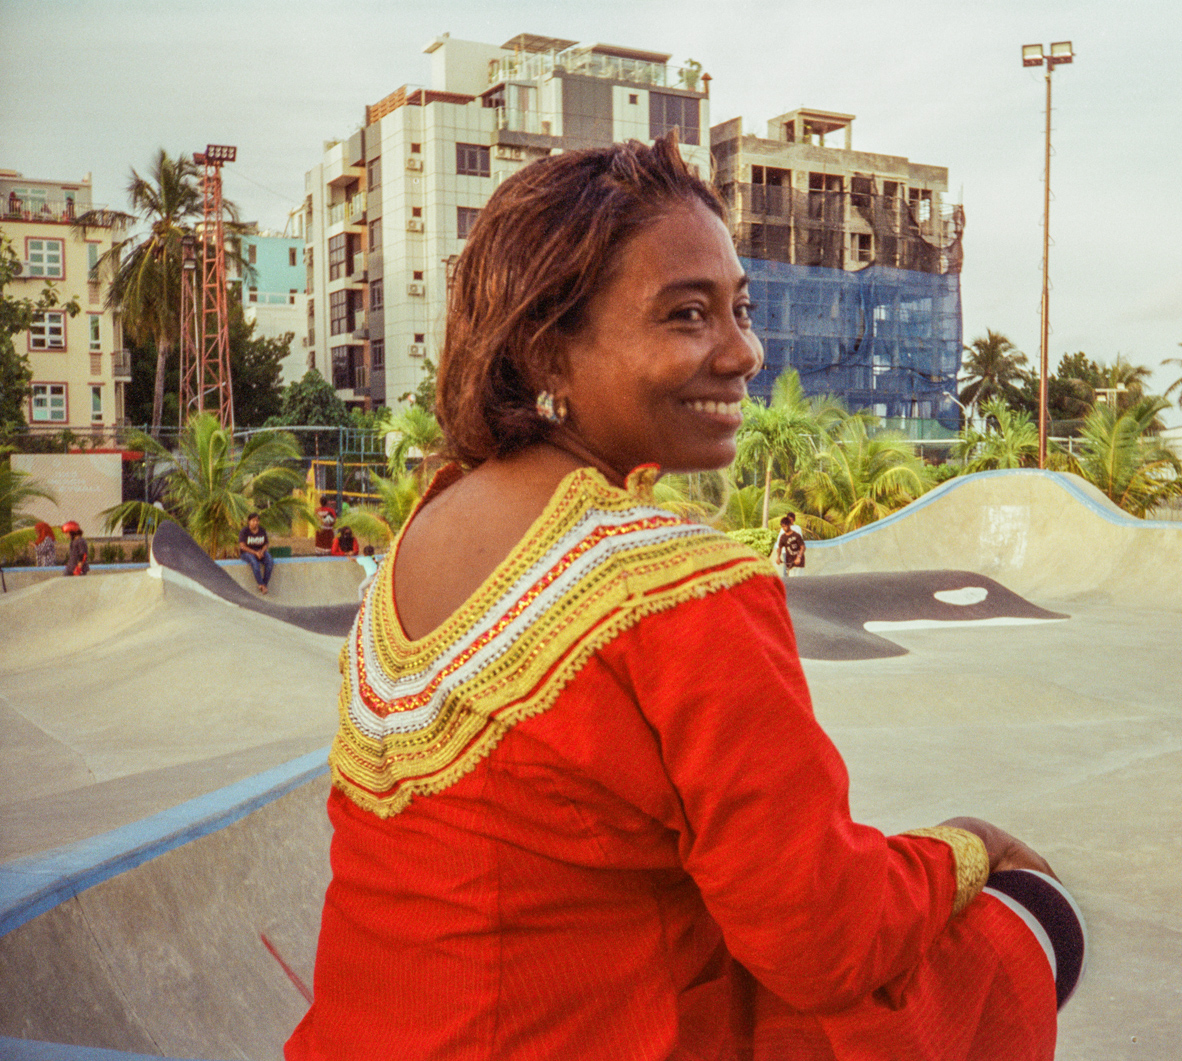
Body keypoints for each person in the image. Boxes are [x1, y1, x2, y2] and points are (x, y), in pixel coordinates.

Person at [286, 137, 1082, 1061]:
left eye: (740, 309)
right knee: (1018, 927)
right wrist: (966, 847)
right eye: (686, 315)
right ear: (548, 352)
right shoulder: (678, 586)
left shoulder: (428, 527)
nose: (742, 351)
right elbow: (825, 936)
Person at [237, 513, 273, 593]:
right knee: (254, 563)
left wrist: (262, 551)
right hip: (247, 553)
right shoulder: (244, 531)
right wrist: (255, 553)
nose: (255, 523)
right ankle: (261, 584)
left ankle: (264, 584)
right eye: (253, 521)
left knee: (270, 561)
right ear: (249, 522)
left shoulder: (262, 530)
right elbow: (242, 546)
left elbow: (266, 544)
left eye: (257, 521)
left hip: (260, 551)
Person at [777, 512, 807, 577]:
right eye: (782, 527)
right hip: (790, 561)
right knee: (790, 579)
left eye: (785, 526)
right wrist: (778, 557)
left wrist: (799, 557)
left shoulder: (796, 535)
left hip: (798, 562)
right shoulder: (783, 536)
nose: (783, 528)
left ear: (789, 525)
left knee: (798, 580)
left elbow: (803, 547)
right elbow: (779, 547)